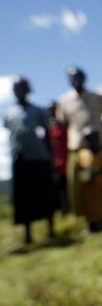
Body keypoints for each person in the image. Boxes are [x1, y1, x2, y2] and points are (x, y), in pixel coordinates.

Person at [56, 67, 102, 233]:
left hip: (100, 143)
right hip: (78, 146)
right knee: (82, 185)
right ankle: (91, 222)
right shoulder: (64, 101)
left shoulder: (96, 97)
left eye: (78, 77)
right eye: (72, 78)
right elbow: (61, 122)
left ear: (84, 78)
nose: (75, 80)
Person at [3, 77, 56, 244]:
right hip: (20, 159)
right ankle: (28, 234)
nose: (20, 91)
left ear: (28, 90)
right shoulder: (9, 113)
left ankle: (51, 228)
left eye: (23, 88)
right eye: (17, 88)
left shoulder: (38, 111)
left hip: (39, 158)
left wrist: (49, 155)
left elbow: (47, 133)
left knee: (45, 193)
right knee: (24, 197)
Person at [47, 100, 69, 215]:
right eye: (49, 110)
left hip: (67, 159)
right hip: (55, 162)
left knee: (70, 186)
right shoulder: (47, 126)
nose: (51, 112)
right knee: (59, 188)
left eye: (53, 109)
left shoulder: (65, 124)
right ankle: (63, 210)